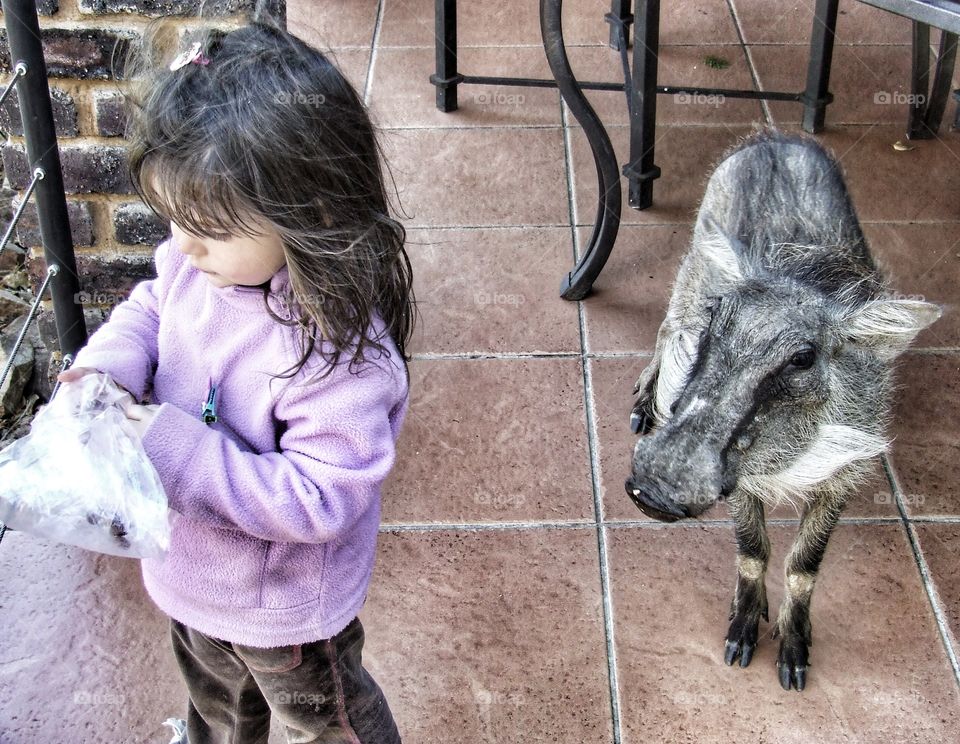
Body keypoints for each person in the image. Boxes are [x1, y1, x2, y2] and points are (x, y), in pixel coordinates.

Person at [58, 19, 414, 744]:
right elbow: (150, 308)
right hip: (190, 578)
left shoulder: (337, 352)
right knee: (218, 711)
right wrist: (107, 367)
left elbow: (321, 497)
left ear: (309, 212)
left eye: (209, 227)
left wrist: (170, 448)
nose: (183, 246)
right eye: (173, 218)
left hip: (285, 613)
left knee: (328, 723)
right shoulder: (195, 264)